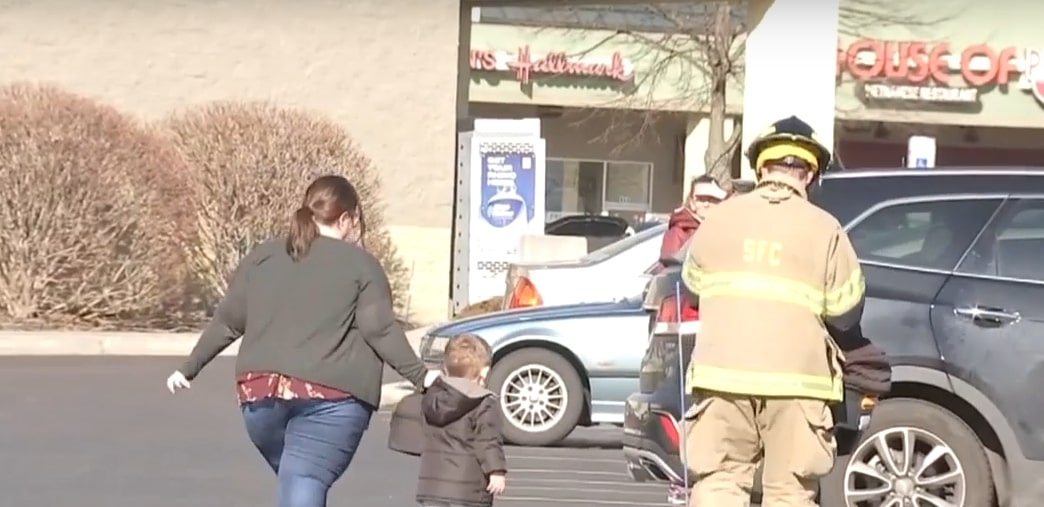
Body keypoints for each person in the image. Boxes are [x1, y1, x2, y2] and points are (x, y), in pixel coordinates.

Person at [165, 174, 440, 507]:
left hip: (260, 396)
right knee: (305, 478)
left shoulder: (262, 258)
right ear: (346, 219)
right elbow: (379, 330)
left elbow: (228, 322)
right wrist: (422, 376)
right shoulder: (362, 266)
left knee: (296, 478)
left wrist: (188, 369)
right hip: (333, 398)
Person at [679, 116, 866, 507]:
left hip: (721, 377)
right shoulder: (825, 228)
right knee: (790, 493)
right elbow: (845, 311)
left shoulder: (718, 219)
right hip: (799, 385)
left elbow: (693, 286)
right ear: (811, 173)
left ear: (761, 167)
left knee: (719, 483)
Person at [391, 333, 507, 507]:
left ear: (445, 368)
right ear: (484, 371)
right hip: (468, 489)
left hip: (432, 486)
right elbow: (488, 440)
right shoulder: (482, 402)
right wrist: (496, 470)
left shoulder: (432, 396)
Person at [657, 175, 729, 271]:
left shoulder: (725, 232)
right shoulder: (679, 233)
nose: (706, 204)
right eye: (701, 199)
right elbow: (669, 273)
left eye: (712, 199)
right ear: (692, 202)